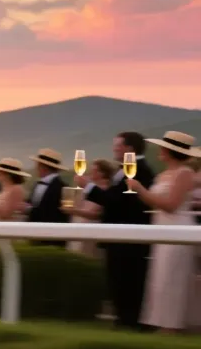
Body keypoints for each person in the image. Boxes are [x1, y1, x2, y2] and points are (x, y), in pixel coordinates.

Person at [78, 132, 157, 331]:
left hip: (129, 238)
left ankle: (130, 323)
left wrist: (88, 187)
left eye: (117, 147)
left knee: (128, 282)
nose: (114, 150)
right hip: (119, 237)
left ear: (129, 149)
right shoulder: (126, 170)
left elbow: (116, 203)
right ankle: (123, 321)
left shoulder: (140, 170)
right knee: (118, 281)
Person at [127, 131, 200, 334]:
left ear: (169, 151)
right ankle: (162, 323)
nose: (159, 150)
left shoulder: (184, 173)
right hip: (161, 228)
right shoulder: (163, 174)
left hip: (178, 229)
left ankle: (172, 325)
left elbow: (171, 205)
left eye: (162, 147)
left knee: (173, 277)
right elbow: (156, 203)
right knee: (160, 277)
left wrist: (140, 189)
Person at [26, 148, 69, 247]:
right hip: (34, 236)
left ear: (43, 167)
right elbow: (33, 203)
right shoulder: (37, 184)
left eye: (37, 165)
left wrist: (27, 209)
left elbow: (52, 213)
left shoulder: (61, 187)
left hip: (52, 240)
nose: (35, 168)